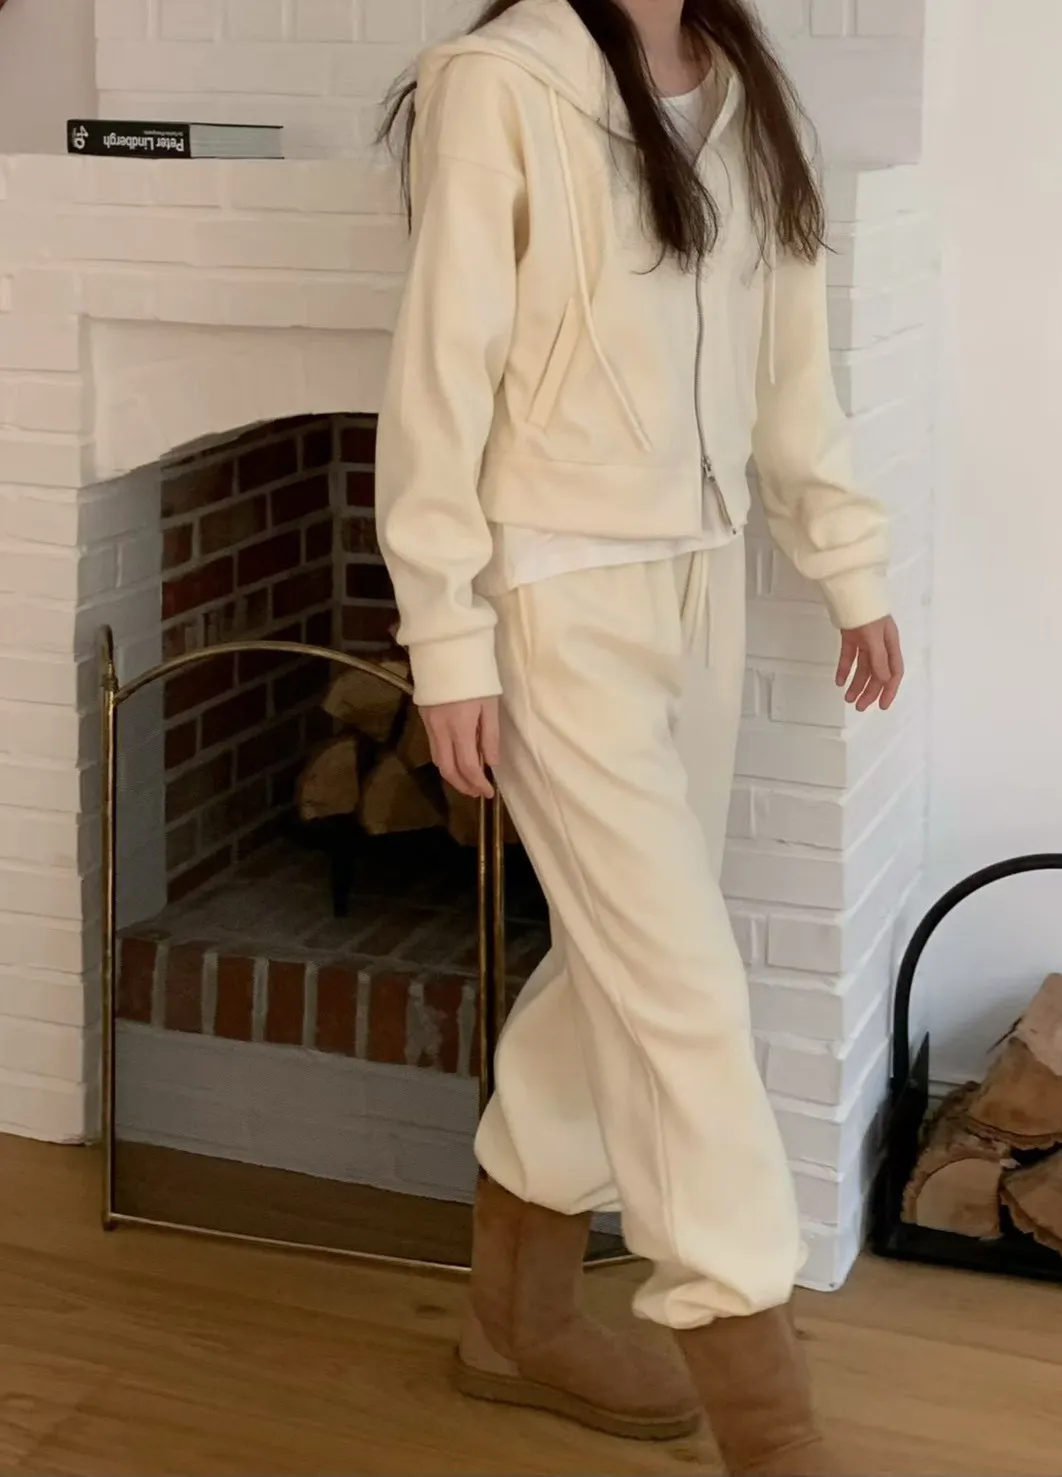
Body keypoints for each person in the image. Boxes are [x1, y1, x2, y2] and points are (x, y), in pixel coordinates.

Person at [377, 1, 903, 1472]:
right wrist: (446, 639)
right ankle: (767, 1417)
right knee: (682, 995)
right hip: (552, 590)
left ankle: (518, 1319)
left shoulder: (741, 91)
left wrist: (847, 564)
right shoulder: (501, 82)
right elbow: (440, 373)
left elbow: (791, 364)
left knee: (622, 963)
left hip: (703, 577)